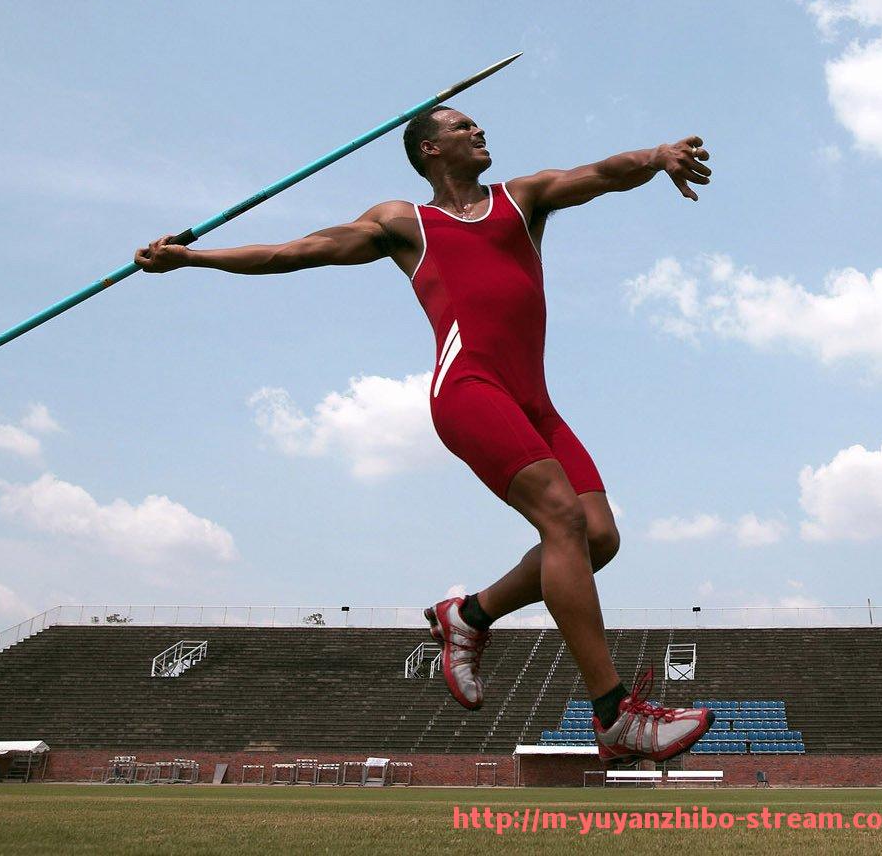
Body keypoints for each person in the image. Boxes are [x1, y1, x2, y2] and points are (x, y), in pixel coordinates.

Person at [134, 106, 715, 762]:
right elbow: (292, 252)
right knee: (562, 517)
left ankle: (467, 617)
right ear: (430, 149)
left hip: (535, 402)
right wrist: (192, 257)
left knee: (597, 536)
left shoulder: (521, 199)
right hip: (469, 389)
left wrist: (658, 153)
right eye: (463, 126)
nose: (480, 130)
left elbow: (602, 174)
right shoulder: (403, 223)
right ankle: (614, 714)